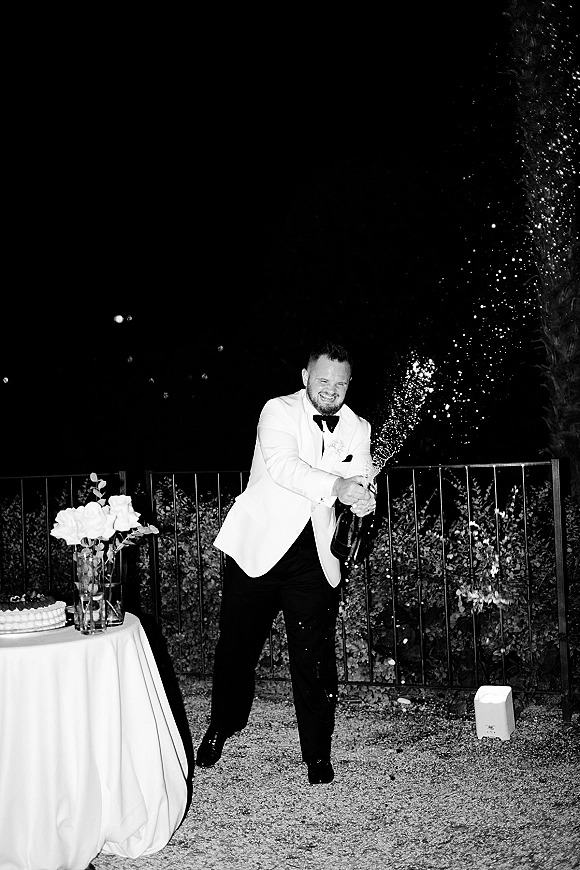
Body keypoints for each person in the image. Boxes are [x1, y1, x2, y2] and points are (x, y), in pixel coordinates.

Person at [195, 340, 376, 784]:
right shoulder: (276, 411)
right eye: (323, 380)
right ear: (305, 378)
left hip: (314, 557)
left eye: (340, 382)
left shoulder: (357, 427)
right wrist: (338, 486)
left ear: (349, 384)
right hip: (259, 549)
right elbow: (283, 466)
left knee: (314, 658)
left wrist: (364, 498)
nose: (331, 390)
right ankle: (222, 725)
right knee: (237, 649)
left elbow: (363, 472)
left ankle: (317, 752)